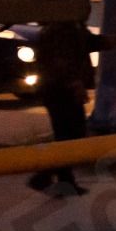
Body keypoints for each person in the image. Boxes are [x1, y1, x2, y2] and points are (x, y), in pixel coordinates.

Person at [28, 18, 104, 197]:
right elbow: (60, 60)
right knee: (73, 135)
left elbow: (89, 43)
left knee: (67, 136)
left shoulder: (69, 26)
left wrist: (115, 40)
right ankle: (46, 177)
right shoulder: (61, 28)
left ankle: (61, 181)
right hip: (59, 90)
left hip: (57, 89)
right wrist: (75, 83)